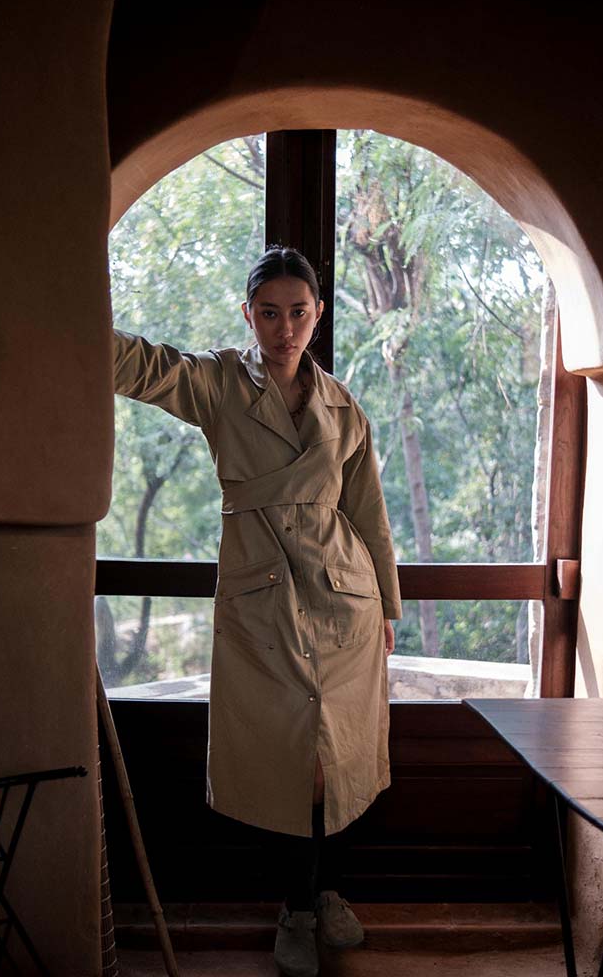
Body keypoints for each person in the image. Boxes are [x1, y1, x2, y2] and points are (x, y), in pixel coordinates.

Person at [111, 246, 401, 977]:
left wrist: (389, 607)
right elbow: (145, 367)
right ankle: (295, 909)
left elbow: (368, 511)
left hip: (346, 598)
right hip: (261, 593)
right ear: (248, 316)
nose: (285, 328)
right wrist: (71, 324)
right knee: (284, 758)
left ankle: (327, 893)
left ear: (318, 314)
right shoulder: (219, 383)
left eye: (298, 312)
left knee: (339, 758)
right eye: (269, 313)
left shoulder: (344, 406)